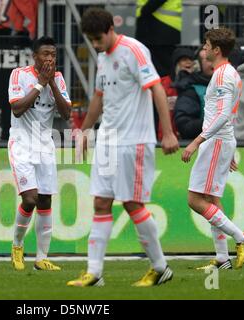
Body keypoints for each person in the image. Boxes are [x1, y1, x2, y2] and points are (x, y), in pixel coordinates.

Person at [67, 7, 179, 288]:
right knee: (100, 202)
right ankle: (94, 272)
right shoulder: (103, 58)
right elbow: (98, 97)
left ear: (109, 30)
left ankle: (160, 267)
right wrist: (84, 132)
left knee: (132, 203)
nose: (94, 45)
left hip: (134, 141)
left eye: (97, 39)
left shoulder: (134, 50)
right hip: (108, 141)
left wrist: (167, 133)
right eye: (90, 40)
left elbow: (156, 89)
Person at [181, 28, 244, 270]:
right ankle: (223, 258)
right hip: (221, 142)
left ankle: (242, 238)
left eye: (206, 45)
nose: (202, 50)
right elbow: (226, 116)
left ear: (216, 50)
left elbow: (223, 115)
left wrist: (196, 142)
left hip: (215, 142)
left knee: (195, 199)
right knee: (211, 199)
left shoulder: (224, 75)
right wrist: (227, 147)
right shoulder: (226, 73)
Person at [7, 36, 71, 271]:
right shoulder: (19, 75)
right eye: (45, 54)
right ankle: (17, 245)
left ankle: (41, 258)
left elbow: (66, 114)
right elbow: (17, 109)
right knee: (30, 198)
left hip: (45, 144)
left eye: (53, 55)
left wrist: (52, 84)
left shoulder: (59, 79)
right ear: (34, 56)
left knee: (45, 199)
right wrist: (40, 84)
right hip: (22, 142)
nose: (49, 59)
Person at [174, 47, 214, 139]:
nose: (215, 63)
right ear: (198, 65)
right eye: (209, 59)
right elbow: (184, 126)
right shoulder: (191, 90)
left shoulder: (232, 84)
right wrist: (216, 121)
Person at [135, 0, 182, 77]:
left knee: (160, 71)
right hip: (159, 30)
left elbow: (153, 4)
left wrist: (142, 11)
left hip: (160, 29)